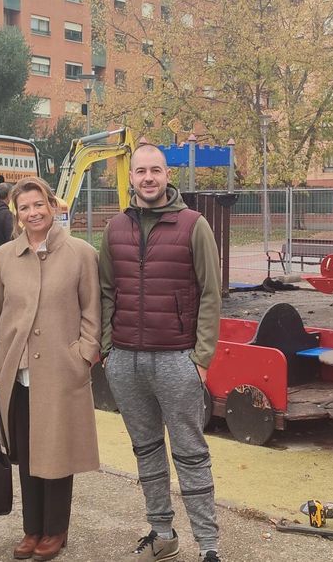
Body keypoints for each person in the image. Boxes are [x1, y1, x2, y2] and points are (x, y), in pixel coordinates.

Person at [100, 143, 223, 562]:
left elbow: (211, 293)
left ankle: (208, 544)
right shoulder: (115, 229)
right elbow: (106, 291)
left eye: (155, 170)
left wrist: (201, 358)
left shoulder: (193, 225)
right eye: (140, 171)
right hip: (125, 360)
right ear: (131, 177)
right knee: (146, 449)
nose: (148, 178)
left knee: (190, 451)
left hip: (176, 357)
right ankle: (162, 532)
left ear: (167, 175)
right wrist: (106, 350)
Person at [0, 176, 101, 562]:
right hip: (16, 369)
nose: (32, 213)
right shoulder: (3, 256)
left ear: (52, 206)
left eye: (39, 205)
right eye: (25, 207)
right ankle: (31, 529)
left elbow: (92, 312)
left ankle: (55, 530)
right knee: (27, 454)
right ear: (16, 213)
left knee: (57, 451)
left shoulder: (81, 253)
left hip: (61, 369)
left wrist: (83, 353)